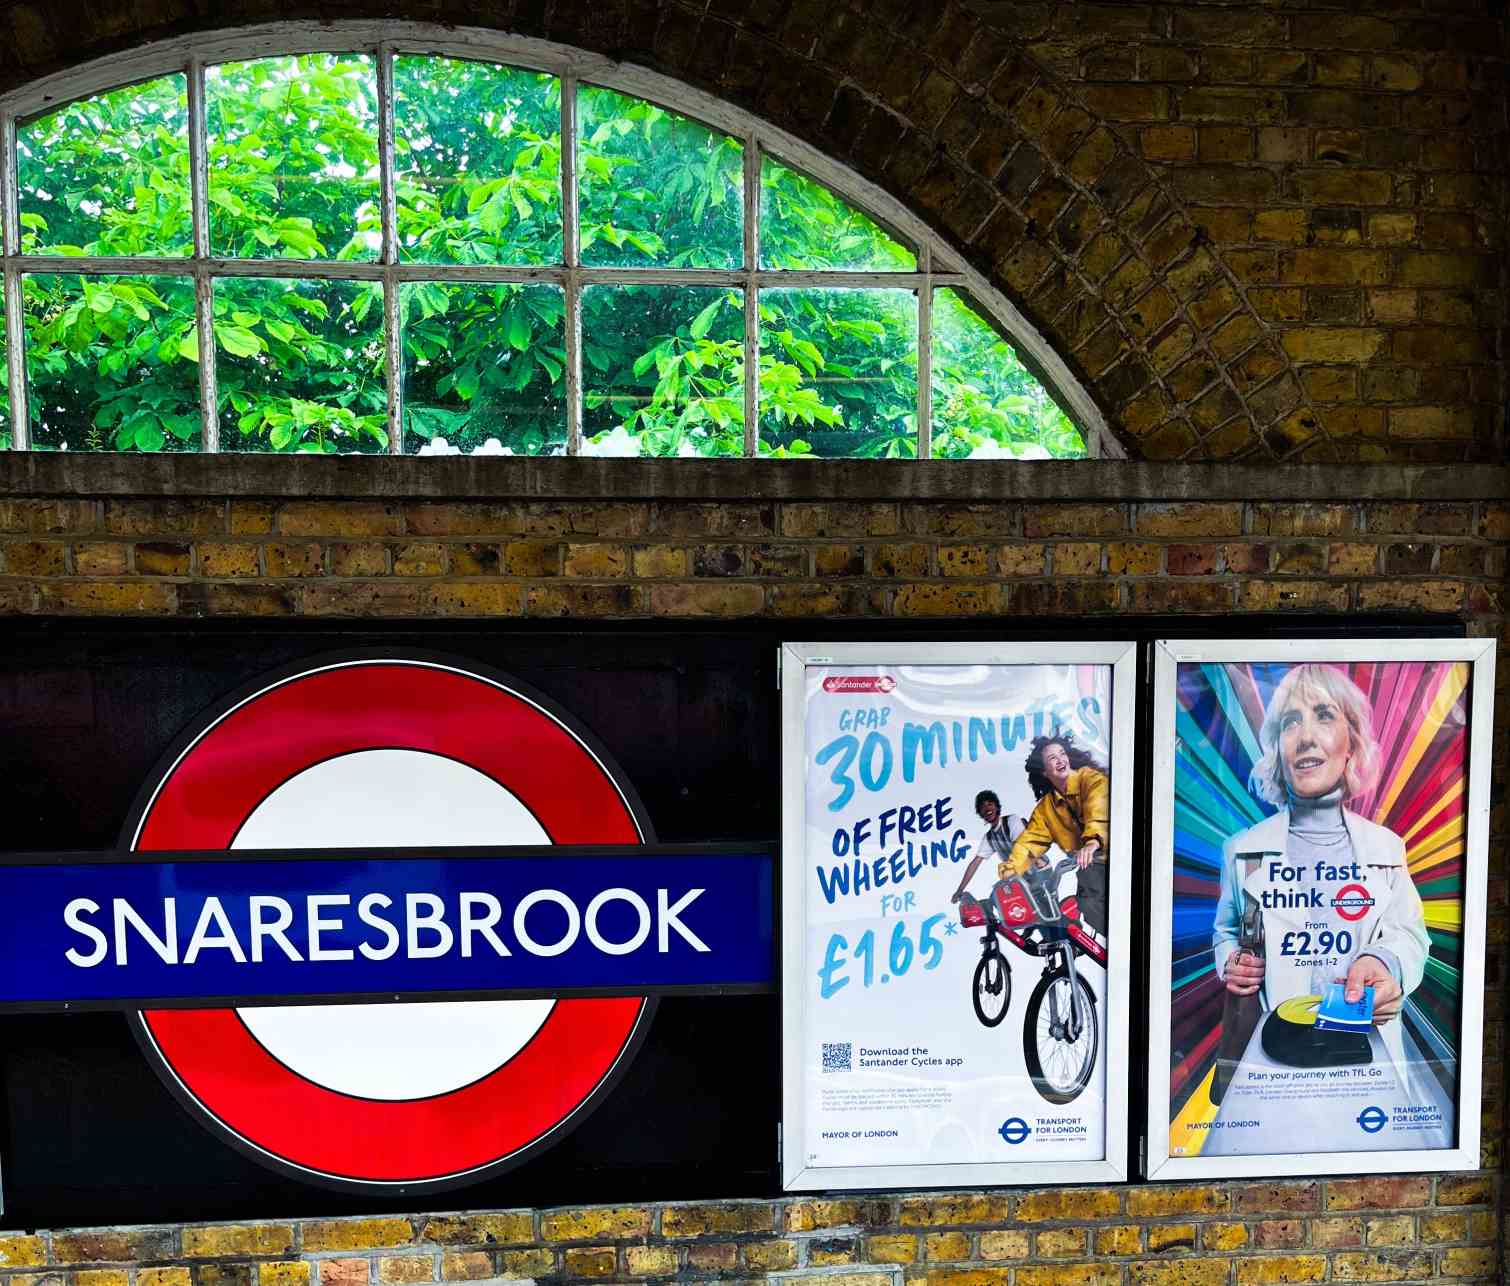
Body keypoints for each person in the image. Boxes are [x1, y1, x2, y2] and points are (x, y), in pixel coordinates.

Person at [1213, 663, 1429, 1056]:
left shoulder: (1387, 847)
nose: (1306, 737)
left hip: (1364, 1057)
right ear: (1277, 747)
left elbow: (1409, 934)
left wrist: (1386, 962)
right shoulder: (1241, 850)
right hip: (1275, 1057)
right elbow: (1225, 931)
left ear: (1352, 742)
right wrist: (1231, 960)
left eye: (1324, 715)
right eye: (1290, 722)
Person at [952, 734, 1110, 937]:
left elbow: (1098, 809)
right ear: (1044, 771)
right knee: (1080, 907)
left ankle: (1116, 947)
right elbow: (1029, 843)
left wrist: (1093, 841)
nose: (1060, 760)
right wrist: (1008, 871)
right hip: (1085, 866)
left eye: (1062, 754)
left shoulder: (1091, 780)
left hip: (1108, 858)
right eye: (1052, 758)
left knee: (1079, 907)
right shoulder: (1045, 809)